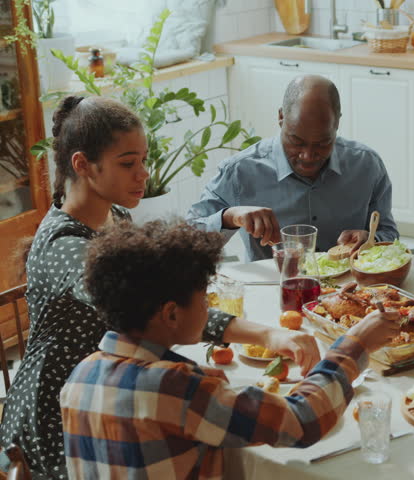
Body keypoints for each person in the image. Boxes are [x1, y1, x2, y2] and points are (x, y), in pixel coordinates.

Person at [0, 96, 319, 479]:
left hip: (115, 385)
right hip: (66, 413)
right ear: (82, 165)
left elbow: (163, 293)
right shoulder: (64, 245)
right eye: (128, 164)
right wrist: (266, 334)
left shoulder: (115, 215)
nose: (144, 174)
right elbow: (154, 304)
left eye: (143, 161)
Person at [60, 220, 401, 479]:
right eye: (204, 298)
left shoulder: (79, 375)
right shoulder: (177, 389)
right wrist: (354, 345)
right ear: (172, 314)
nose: (210, 309)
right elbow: (300, 421)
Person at [187, 75, 398, 261]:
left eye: (322, 143)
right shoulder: (240, 171)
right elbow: (188, 239)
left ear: (337, 123)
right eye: (296, 141)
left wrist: (371, 240)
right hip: (272, 292)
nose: (307, 156)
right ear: (281, 117)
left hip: (349, 294)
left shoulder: (366, 165)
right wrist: (230, 217)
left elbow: (388, 233)